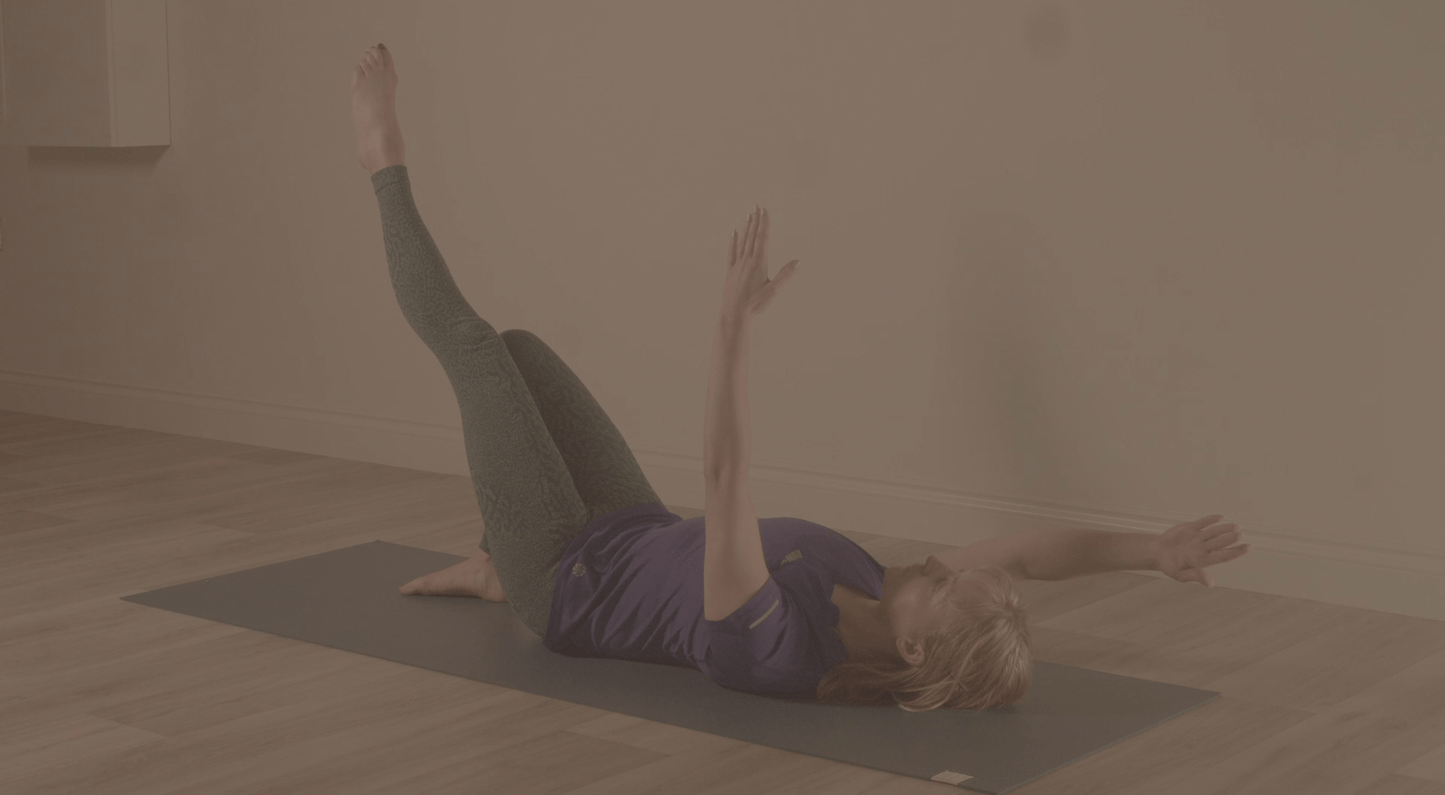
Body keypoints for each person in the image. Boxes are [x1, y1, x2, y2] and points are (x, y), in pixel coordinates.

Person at [350, 44, 1247, 712]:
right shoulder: (882, 586)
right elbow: (1022, 557)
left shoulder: (768, 644)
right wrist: (1149, 552)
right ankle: (491, 559)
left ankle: (381, 160)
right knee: (521, 350)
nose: (947, 562)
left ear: (908, 639)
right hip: (630, 528)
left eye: (944, 583)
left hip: (566, 579)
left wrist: (732, 323)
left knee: (471, 346)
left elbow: (724, 478)